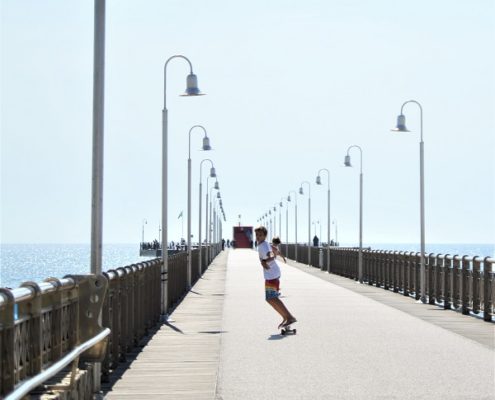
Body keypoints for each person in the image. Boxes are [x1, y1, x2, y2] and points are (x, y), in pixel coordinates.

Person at [255, 226, 296, 329]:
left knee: (272, 298)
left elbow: (270, 256)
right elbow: (273, 249)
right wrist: (280, 255)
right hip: (272, 274)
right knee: (270, 298)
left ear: (265, 236)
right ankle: (286, 317)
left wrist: (264, 261)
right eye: (257, 235)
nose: (258, 237)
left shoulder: (262, 246)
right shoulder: (263, 244)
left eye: (260, 235)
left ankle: (289, 317)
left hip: (272, 274)